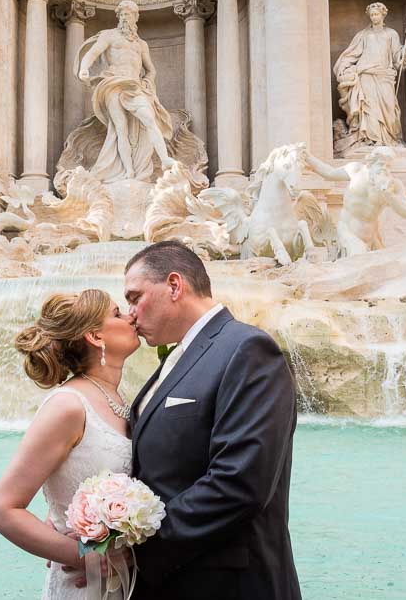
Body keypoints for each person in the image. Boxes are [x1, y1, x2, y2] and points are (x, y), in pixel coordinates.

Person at [123, 241, 301, 599]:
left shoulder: (247, 349)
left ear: (174, 286)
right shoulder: (178, 356)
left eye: (134, 297)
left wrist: (138, 550)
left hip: (227, 584)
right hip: (174, 581)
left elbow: (240, 483)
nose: (130, 314)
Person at [0, 290, 141, 599]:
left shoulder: (120, 398)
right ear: (95, 336)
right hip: (85, 587)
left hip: (125, 583)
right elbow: (2, 511)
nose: (131, 316)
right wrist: (81, 554)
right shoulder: (68, 405)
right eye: (117, 314)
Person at [76, 0, 176, 183]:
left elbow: (151, 70)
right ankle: (129, 171)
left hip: (134, 86)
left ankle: (165, 160)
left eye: (128, 14)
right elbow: (92, 53)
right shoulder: (109, 36)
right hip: (113, 83)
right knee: (120, 128)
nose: (124, 18)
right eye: (121, 14)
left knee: (149, 119)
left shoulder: (141, 44)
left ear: (135, 17)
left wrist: (147, 82)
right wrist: (84, 68)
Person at [300, 145, 406, 257]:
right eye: (380, 164)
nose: (384, 169)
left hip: (372, 236)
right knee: (359, 256)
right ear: (371, 164)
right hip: (348, 231)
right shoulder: (356, 170)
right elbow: (329, 173)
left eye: (388, 166)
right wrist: (308, 157)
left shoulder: (394, 185)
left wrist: (388, 195)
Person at [333, 2, 406, 151]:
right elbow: (350, 54)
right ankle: (370, 140)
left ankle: (389, 139)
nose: (374, 17)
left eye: (376, 14)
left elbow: (400, 59)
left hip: (385, 76)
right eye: (371, 15)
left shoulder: (391, 34)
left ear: (383, 14)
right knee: (369, 109)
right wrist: (344, 68)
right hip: (366, 75)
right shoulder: (363, 35)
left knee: (389, 109)